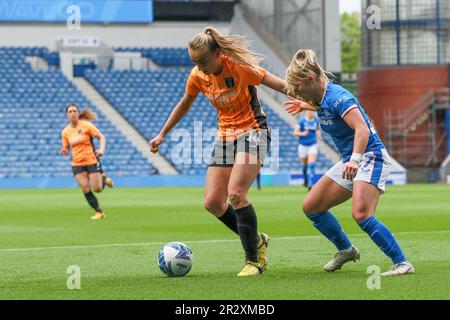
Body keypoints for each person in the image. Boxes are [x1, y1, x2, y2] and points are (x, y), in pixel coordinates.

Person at [150, 26, 298, 276]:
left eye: (203, 61)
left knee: (237, 194)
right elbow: (185, 103)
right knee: (213, 203)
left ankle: (254, 261)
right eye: (194, 62)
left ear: (218, 53)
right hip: (225, 136)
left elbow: (278, 83)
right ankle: (258, 240)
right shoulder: (197, 75)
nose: (199, 66)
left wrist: (309, 98)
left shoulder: (239, 67)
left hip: (254, 130)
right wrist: (162, 132)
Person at [284, 49, 414, 276]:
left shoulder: (339, 96)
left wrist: (355, 160)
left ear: (310, 79)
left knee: (361, 214)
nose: (296, 93)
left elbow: (362, 129)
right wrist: (305, 106)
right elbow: (326, 108)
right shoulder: (321, 98)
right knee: (312, 207)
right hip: (350, 159)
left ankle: (402, 263)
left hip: (370, 156)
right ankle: (346, 250)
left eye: (298, 88)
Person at [60, 104, 114, 220]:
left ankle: (104, 178)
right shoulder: (65, 132)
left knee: (97, 189)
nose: (72, 113)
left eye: (74, 111)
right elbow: (66, 148)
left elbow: (101, 137)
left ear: (78, 113)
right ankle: (99, 212)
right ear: (67, 115)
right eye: (70, 111)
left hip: (91, 160)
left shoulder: (87, 126)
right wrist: (64, 151)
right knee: (85, 187)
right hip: (77, 163)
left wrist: (101, 149)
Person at [294, 110, 321, 190]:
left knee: (311, 165)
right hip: (303, 146)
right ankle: (305, 179)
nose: (311, 113)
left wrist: (319, 136)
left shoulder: (315, 121)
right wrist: (302, 133)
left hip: (313, 145)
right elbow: (295, 132)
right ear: (306, 113)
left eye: (312, 112)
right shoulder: (301, 121)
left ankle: (310, 183)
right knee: (304, 167)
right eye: (309, 112)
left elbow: (318, 129)